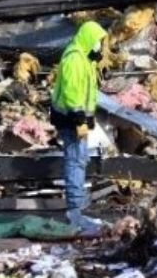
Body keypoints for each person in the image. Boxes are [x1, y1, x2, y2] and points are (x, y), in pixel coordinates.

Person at [50, 20, 108, 233]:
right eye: (98, 42)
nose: (100, 46)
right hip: (70, 117)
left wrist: (88, 117)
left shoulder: (85, 59)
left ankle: (78, 205)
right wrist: (78, 116)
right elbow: (72, 91)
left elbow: (88, 93)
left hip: (77, 117)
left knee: (80, 159)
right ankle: (75, 208)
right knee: (75, 160)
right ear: (89, 39)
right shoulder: (75, 58)